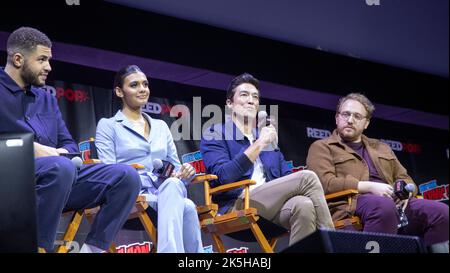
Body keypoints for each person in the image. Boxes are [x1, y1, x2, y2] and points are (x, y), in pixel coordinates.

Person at [0, 27, 141, 253]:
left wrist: (60, 154)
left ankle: (93, 249)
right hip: (10, 186)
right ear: (18, 59)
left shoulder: (46, 99)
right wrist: (30, 149)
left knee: (127, 177)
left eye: (49, 59)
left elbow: (69, 145)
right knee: (60, 167)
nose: (49, 67)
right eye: (42, 59)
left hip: (57, 180)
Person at [200, 73, 334, 246]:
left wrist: (265, 140)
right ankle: (334, 244)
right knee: (307, 177)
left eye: (255, 97)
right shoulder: (215, 134)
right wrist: (260, 143)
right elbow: (223, 176)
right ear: (229, 104)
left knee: (304, 205)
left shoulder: (267, 138)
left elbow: (286, 177)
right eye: (244, 95)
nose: (251, 100)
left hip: (271, 208)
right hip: (238, 204)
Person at [306, 93, 449, 252]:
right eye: (345, 114)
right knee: (383, 206)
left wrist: (404, 193)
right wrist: (368, 187)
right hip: (352, 204)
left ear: (366, 123)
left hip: (395, 204)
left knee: (441, 212)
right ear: (336, 117)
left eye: (357, 116)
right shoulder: (321, 147)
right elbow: (324, 184)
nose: (350, 120)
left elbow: (406, 179)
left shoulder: (381, 147)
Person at [95, 65, 203, 253]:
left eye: (145, 84)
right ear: (120, 92)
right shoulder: (108, 125)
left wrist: (186, 172)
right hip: (131, 195)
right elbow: (109, 171)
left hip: (165, 192)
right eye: (134, 85)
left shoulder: (161, 126)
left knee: (178, 193)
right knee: (186, 206)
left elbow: (176, 169)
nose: (142, 89)